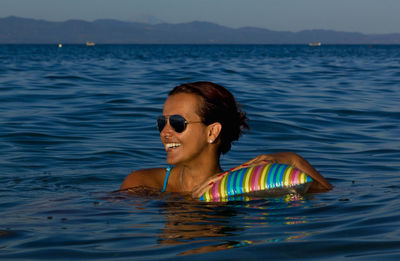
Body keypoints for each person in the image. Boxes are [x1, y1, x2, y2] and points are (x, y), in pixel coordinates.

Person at [120, 81, 333, 198]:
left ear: (212, 132)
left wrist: (293, 159)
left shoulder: (240, 188)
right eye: (161, 122)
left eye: (177, 123)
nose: (165, 132)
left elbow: (329, 198)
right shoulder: (143, 183)